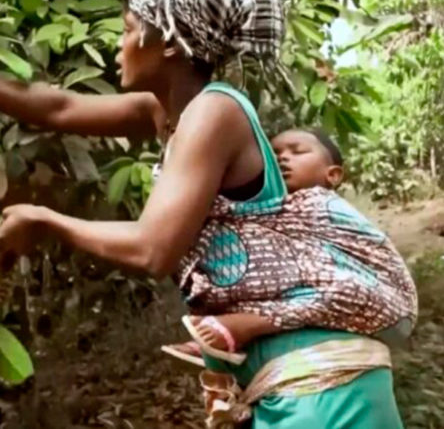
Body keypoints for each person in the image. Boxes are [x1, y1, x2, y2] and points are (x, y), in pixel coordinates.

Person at [0, 0, 409, 427]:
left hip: (321, 384)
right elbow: (56, 108)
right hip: (286, 383)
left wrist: (47, 222)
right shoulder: (168, 113)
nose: (119, 43)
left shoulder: (214, 112)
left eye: (128, 29)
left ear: (169, 41)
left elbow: (153, 249)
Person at [161, 129, 416, 367]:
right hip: (306, 301)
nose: (282, 158)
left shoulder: (323, 204)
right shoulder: (270, 211)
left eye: (297, 151)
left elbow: (234, 215)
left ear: (333, 175)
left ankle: (246, 325)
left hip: (384, 302)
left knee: (344, 286)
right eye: (274, 154)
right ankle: (229, 340)